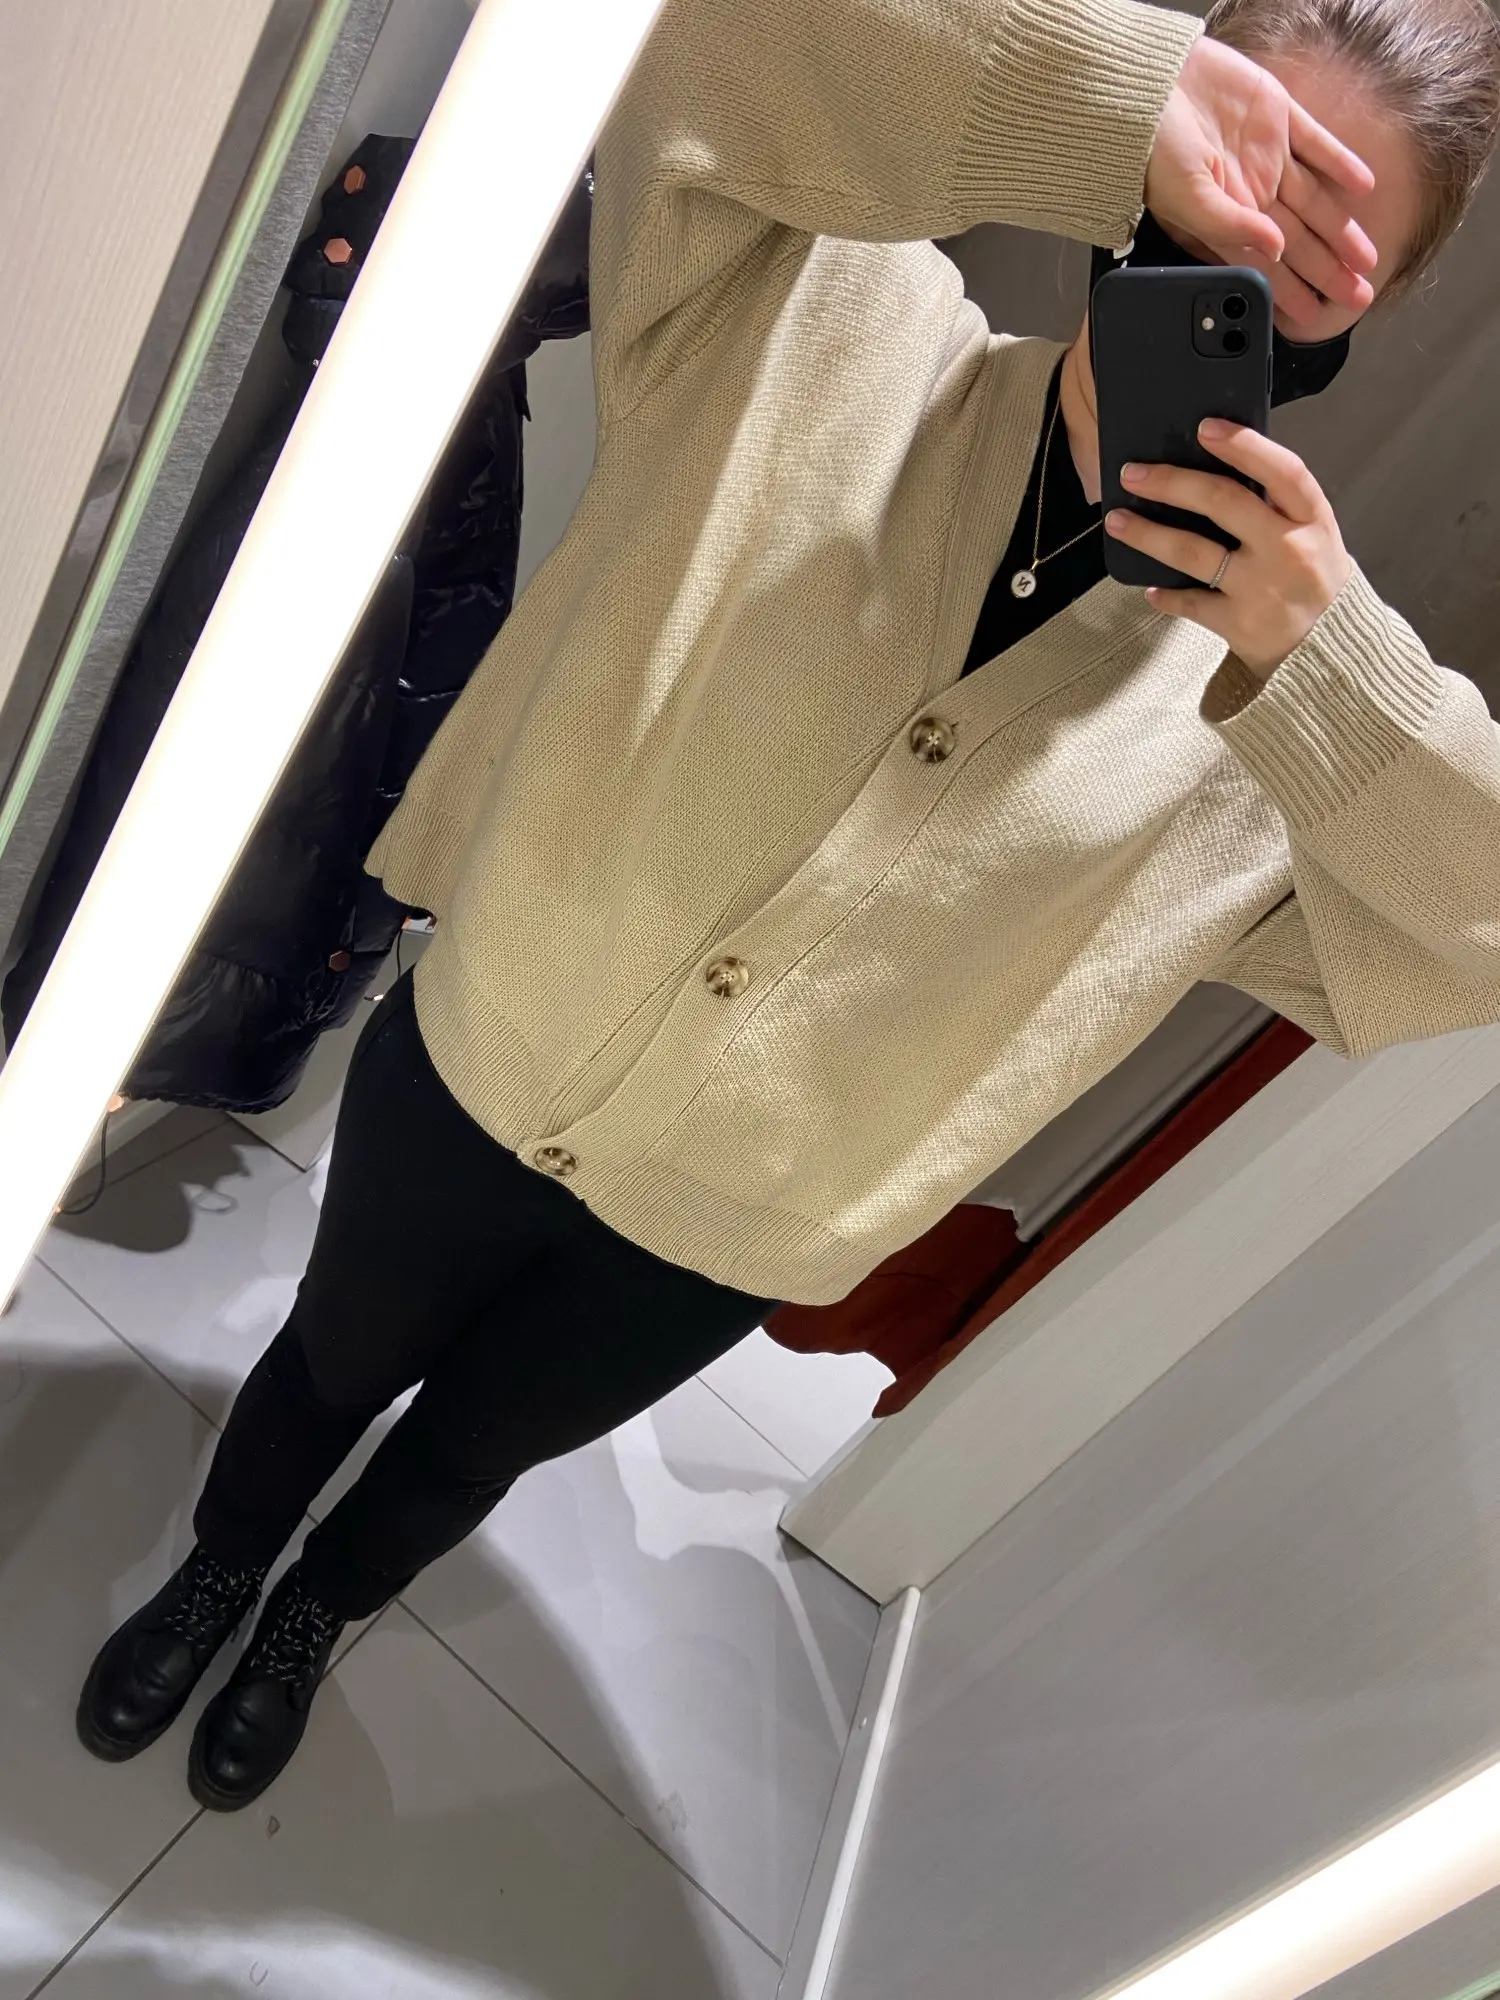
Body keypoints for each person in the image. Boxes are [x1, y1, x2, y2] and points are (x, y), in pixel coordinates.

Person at [79, 0, 1500, 1812]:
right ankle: (222, 1569)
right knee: (324, 1361)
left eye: (1313, 247)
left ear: (1358, 319)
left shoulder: (1274, 744)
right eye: (1240, 170)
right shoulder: (821, 314)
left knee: (468, 1454)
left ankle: (312, 1616)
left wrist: (1330, 668)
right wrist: (1105, 95)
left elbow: (1474, 943)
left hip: (723, 1238)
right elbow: (683, 48)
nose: (1241, 255)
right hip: (484, 1052)